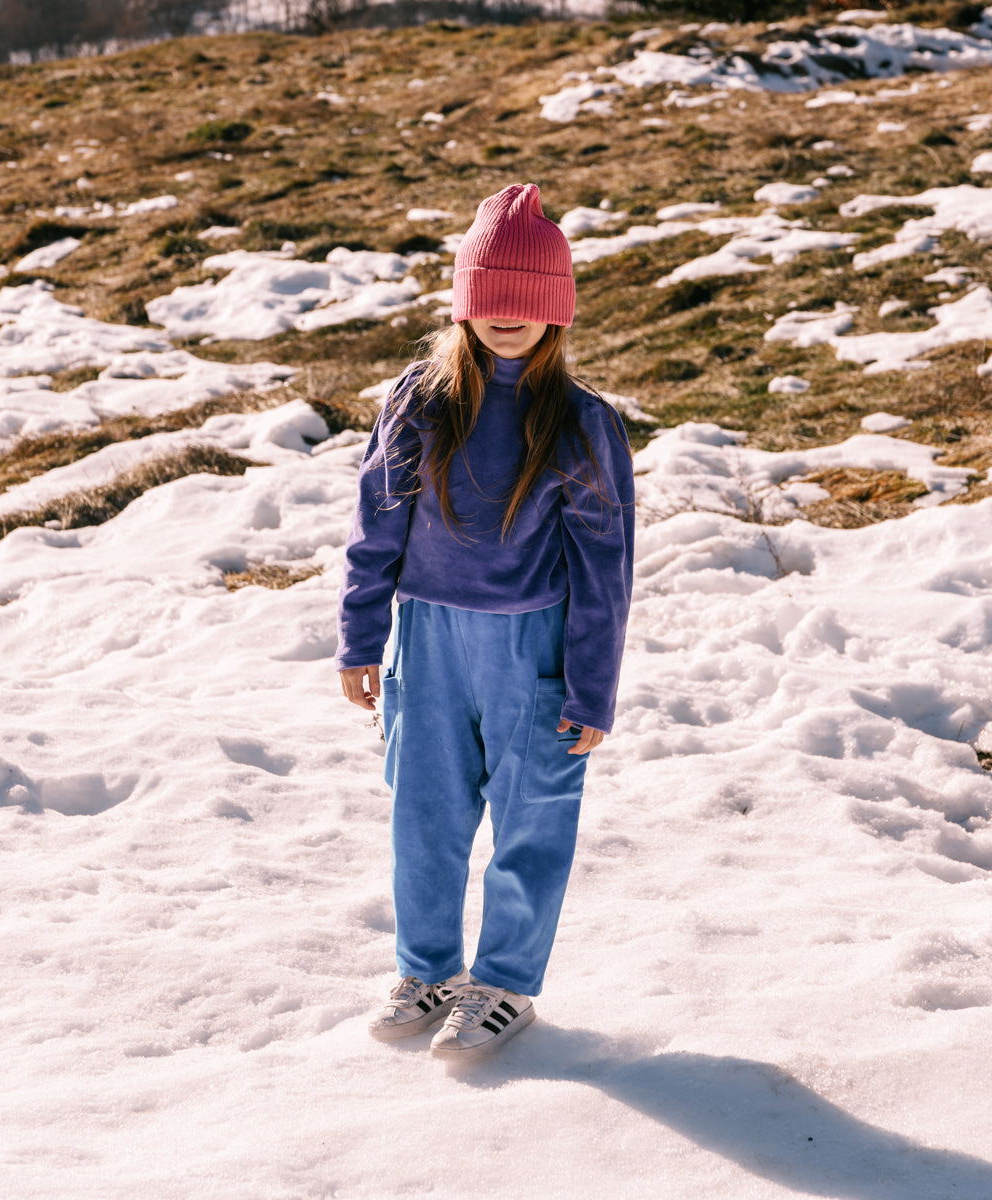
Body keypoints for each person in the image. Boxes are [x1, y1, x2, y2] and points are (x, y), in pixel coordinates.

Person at [336, 182, 635, 1061]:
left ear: (556, 311)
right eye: (490, 298)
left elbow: (603, 570)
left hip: (532, 652)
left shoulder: (582, 426)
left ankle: (503, 983)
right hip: (427, 644)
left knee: (532, 814)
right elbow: (375, 526)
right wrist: (360, 635)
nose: (506, 317)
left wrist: (591, 688)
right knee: (423, 814)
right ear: (466, 302)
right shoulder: (419, 401)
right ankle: (426, 968)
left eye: (526, 300)